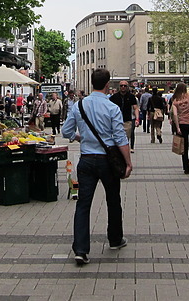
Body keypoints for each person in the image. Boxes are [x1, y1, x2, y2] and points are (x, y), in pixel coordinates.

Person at [62, 69, 132, 266]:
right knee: (113, 200)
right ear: (107, 84)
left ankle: (81, 249)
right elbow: (119, 137)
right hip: (107, 161)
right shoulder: (112, 107)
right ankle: (115, 239)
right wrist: (128, 162)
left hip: (86, 159)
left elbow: (66, 130)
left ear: (92, 83)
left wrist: (79, 137)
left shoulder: (79, 105)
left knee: (83, 204)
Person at [109, 81, 139, 153]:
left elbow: (135, 108)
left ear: (127, 87)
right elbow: (109, 109)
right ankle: (119, 152)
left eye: (125, 86)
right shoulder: (114, 97)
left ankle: (124, 152)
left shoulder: (131, 97)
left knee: (125, 139)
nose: (123, 87)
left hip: (127, 121)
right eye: (121, 86)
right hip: (116, 121)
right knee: (117, 138)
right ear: (119, 87)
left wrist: (137, 119)